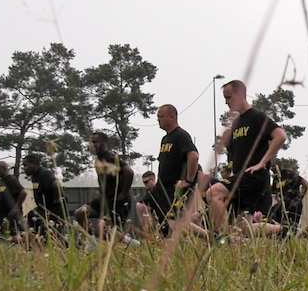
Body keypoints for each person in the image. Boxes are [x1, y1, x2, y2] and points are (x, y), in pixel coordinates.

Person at [206, 80, 288, 238]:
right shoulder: (237, 123)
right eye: (224, 98)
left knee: (213, 193)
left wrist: (262, 162)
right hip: (239, 177)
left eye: (229, 97)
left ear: (240, 95)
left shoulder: (257, 117)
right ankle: (286, 232)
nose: (226, 102)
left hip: (253, 176)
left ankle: (226, 239)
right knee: (244, 228)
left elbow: (280, 136)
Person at [142, 104, 206, 239]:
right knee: (142, 206)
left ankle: (210, 237)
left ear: (172, 117)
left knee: (175, 222)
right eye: (157, 117)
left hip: (174, 188)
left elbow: (193, 156)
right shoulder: (165, 139)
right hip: (161, 187)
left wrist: (188, 181)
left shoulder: (180, 135)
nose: (158, 120)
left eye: (161, 116)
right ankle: (157, 238)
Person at [75, 131, 135, 237]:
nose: (92, 145)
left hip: (118, 201)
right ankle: (93, 238)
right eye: (91, 142)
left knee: (111, 232)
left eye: (95, 142)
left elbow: (129, 172)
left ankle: (132, 244)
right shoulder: (98, 159)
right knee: (80, 213)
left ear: (104, 142)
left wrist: (123, 193)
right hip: (104, 199)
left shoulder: (110, 157)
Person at [22, 153, 67, 239]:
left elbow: (56, 184)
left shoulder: (44, 173)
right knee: (30, 217)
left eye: (25, 165)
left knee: (51, 232)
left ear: (34, 164)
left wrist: (57, 199)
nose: (24, 168)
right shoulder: (34, 176)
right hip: (42, 208)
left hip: (54, 208)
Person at [268, 158, 308, 230]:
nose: (272, 169)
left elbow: (305, 184)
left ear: (279, 165)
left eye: (274, 166)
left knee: (292, 226)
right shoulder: (276, 178)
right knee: (268, 215)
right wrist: (278, 200)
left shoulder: (289, 173)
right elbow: (274, 192)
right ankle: (276, 232)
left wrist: (299, 199)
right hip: (283, 204)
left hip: (294, 204)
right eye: (271, 167)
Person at [0, 160, 26, 240]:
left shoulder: (11, 180)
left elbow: (23, 193)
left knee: (15, 233)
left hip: (12, 213)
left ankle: (24, 246)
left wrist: (16, 208)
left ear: (3, 169)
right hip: (2, 212)